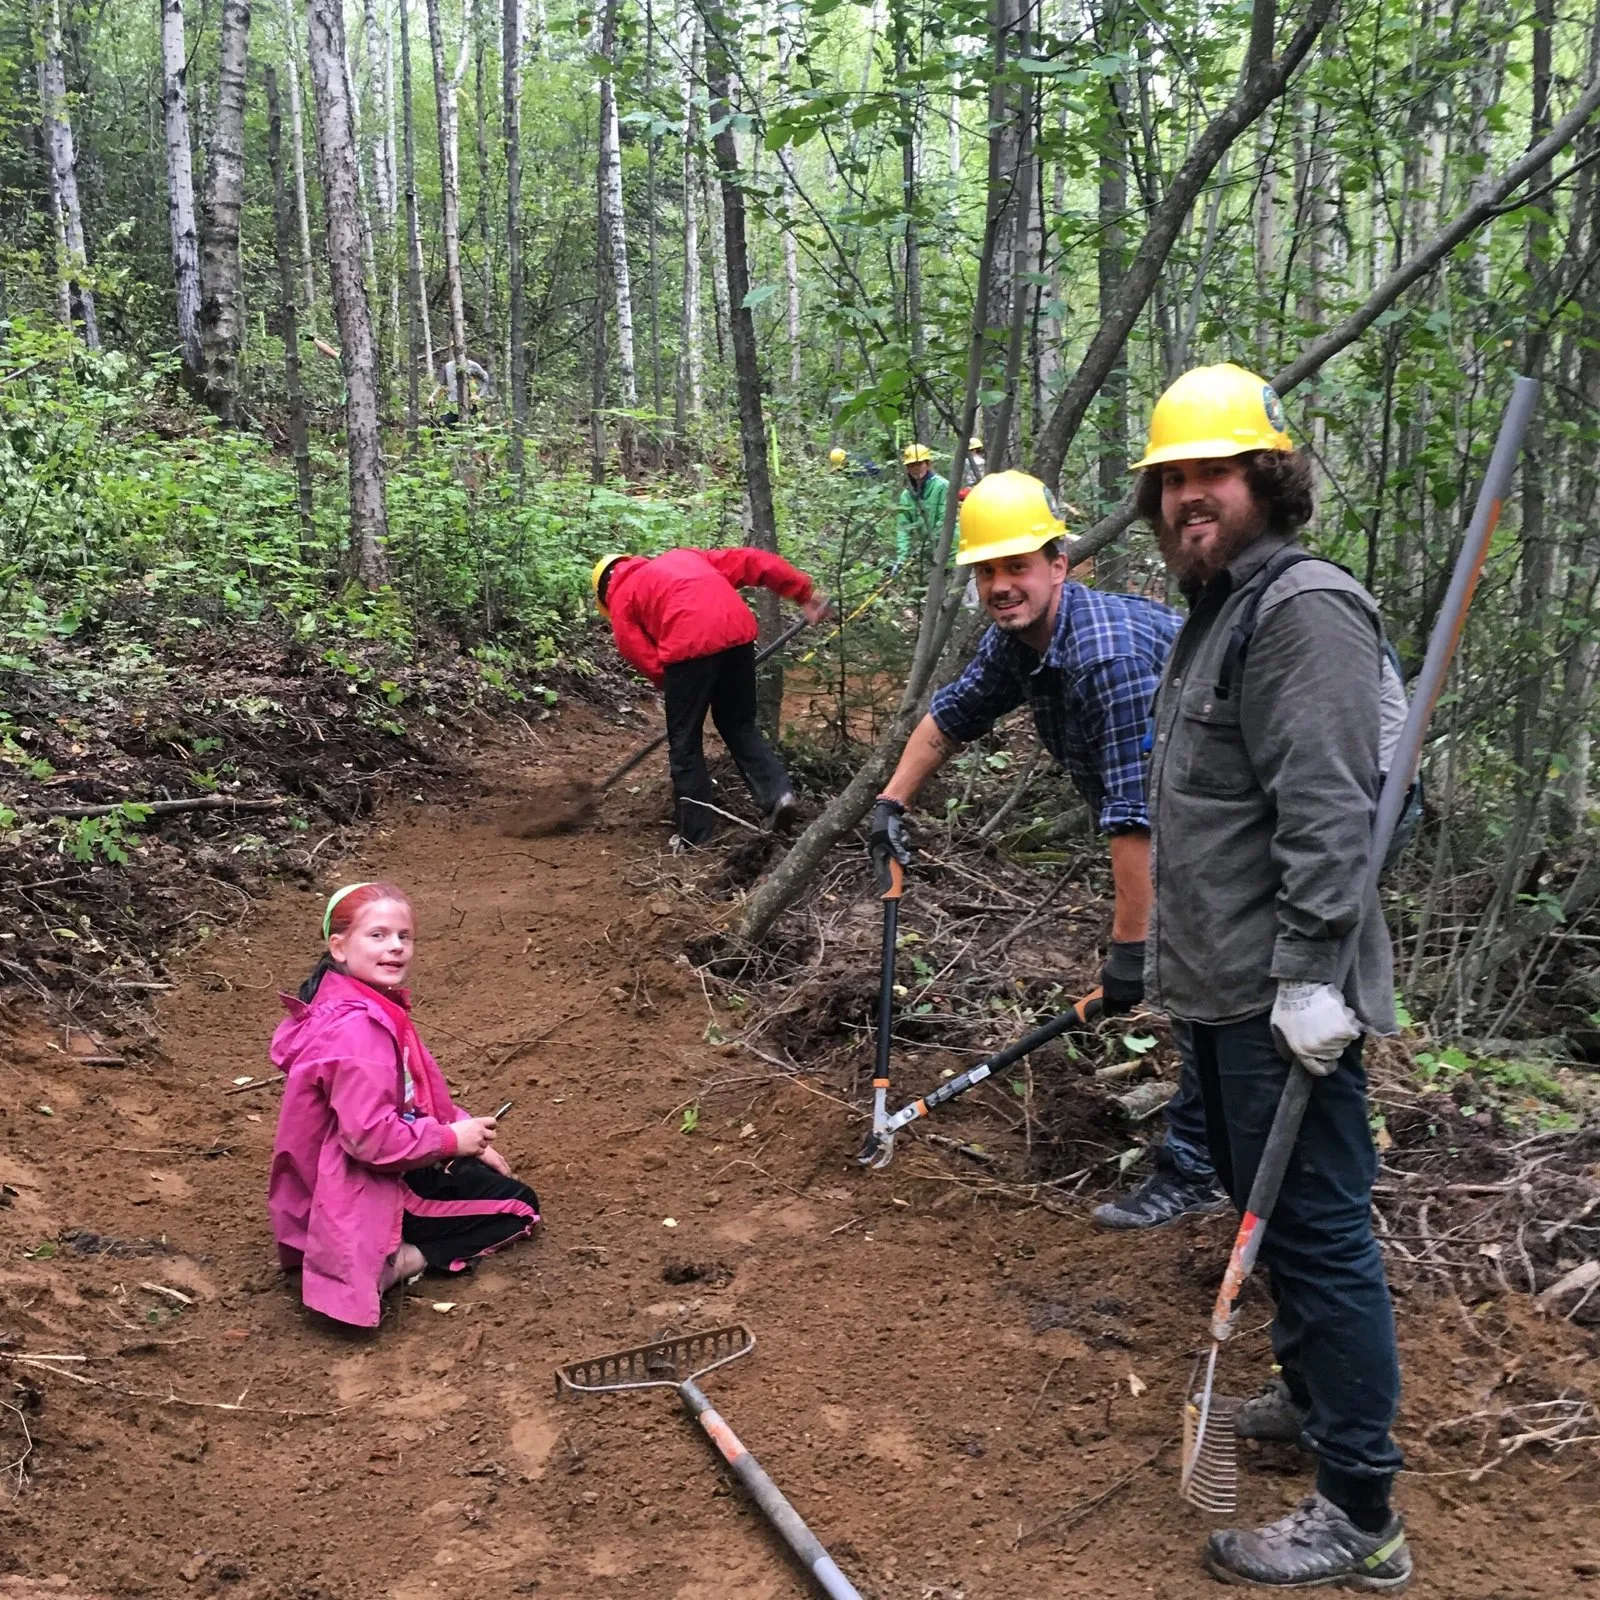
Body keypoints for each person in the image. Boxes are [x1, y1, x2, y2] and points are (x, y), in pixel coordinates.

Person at [1138, 363, 1410, 1588]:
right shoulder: (1217, 608)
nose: (1189, 496)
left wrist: (1311, 979)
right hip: (1218, 989)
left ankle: (1361, 1512)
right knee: (1281, 1225)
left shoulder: (1301, 609)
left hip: (1276, 997)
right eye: (1171, 480)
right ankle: (1308, 1397)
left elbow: (1327, 812)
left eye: (1212, 473)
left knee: (1316, 1235)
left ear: (1268, 477)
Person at [869, 470, 1184, 1048]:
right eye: (987, 570)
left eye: (1017, 566)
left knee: (1228, 1000)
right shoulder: (1015, 640)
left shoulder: (1104, 659)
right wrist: (892, 801)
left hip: (1283, 817)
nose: (1000, 585)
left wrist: (1131, 949)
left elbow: (1136, 813)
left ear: (1058, 565)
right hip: (1193, 825)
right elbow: (953, 716)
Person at [269, 882, 541, 1330]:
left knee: (477, 1177)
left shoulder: (339, 1003)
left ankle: (368, 1247)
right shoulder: (361, 1031)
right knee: (518, 1207)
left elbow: (409, 1092)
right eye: (377, 935)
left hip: (318, 1188)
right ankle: (394, 1264)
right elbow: (371, 1140)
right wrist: (451, 1140)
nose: (395, 947)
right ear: (338, 946)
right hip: (363, 1184)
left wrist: (459, 1129)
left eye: (404, 936)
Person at [592, 548, 832, 847]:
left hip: (686, 650)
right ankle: (778, 796)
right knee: (739, 724)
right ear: (629, 560)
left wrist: (678, 688)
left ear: (604, 592)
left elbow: (639, 653)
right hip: (737, 635)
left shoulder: (621, 599)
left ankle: (695, 835)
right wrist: (802, 593)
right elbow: (752, 561)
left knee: (685, 742)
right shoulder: (684, 557)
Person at [894, 444, 948, 568]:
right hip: (928, 556)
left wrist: (928, 544)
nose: (915, 468)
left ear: (928, 465)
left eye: (919, 464)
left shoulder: (942, 486)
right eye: (911, 465)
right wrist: (902, 558)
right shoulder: (906, 495)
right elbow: (903, 528)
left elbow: (945, 520)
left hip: (948, 551)